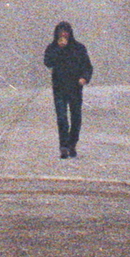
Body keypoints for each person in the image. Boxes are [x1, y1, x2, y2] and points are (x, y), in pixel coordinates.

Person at [43, 20, 93, 158]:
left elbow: (87, 66)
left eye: (66, 32)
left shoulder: (79, 48)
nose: (64, 34)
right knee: (62, 118)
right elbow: (48, 62)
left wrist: (84, 78)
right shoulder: (52, 47)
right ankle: (63, 146)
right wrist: (58, 49)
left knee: (76, 118)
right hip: (59, 87)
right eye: (61, 32)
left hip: (75, 88)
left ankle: (72, 144)